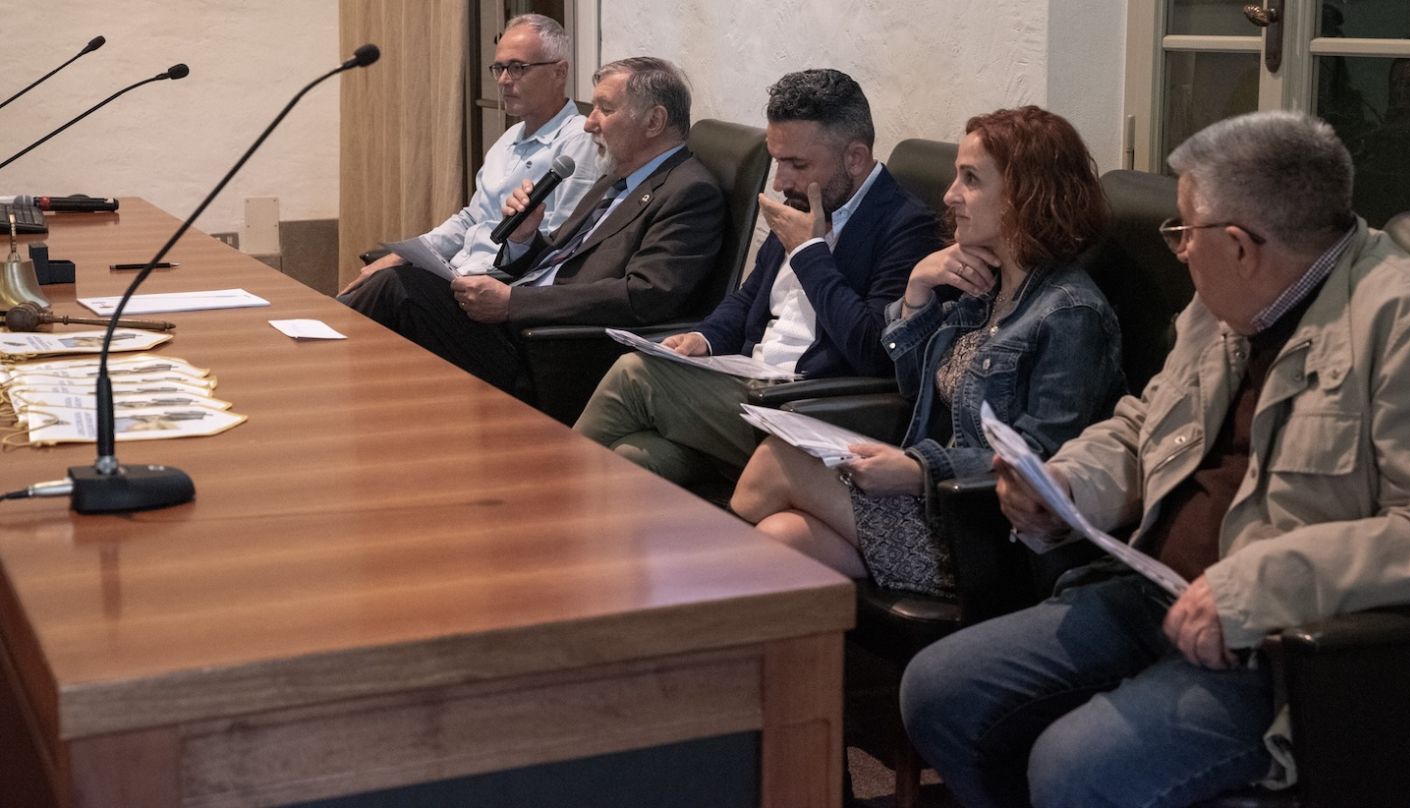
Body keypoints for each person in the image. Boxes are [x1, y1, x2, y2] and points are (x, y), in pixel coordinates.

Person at [900, 110, 1410, 808]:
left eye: (1184, 231)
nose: (1177, 250)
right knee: (939, 690)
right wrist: (1069, 484)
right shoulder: (1222, 304)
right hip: (1153, 591)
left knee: (1076, 767)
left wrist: (1251, 588)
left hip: (1276, 649)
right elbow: (1147, 421)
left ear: (1240, 246)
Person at [730, 106, 1124, 597]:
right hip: (934, 503)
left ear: (1024, 197)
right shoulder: (984, 290)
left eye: (970, 180)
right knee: (780, 538)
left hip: (983, 530)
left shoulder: (1070, 313)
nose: (950, 195)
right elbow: (916, 390)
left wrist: (919, 470)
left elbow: (1041, 465)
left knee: (776, 462)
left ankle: (679, 613)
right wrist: (917, 290)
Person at [572, 69, 940, 491]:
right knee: (634, 457)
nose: (781, 181)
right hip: (748, 388)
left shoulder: (905, 225)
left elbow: (874, 351)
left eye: (797, 164)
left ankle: (545, 501)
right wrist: (705, 338)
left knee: (634, 376)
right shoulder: (804, 201)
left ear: (854, 158)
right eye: (778, 160)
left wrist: (809, 253)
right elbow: (747, 299)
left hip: (809, 409)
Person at [344, 56, 725, 396]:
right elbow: (559, 259)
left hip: (550, 350)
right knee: (397, 288)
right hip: (519, 321)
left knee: (400, 289)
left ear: (654, 121)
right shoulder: (616, 178)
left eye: (605, 109)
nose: (589, 123)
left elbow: (645, 296)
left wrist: (513, 304)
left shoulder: (689, 191)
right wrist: (525, 238)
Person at [340, 13, 600, 297]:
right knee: (385, 277)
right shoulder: (509, 139)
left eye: (517, 68)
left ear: (559, 72)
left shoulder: (578, 141)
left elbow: (563, 242)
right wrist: (403, 255)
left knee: (393, 288)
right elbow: (471, 219)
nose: (504, 80)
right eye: (499, 68)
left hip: (500, 286)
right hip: (459, 270)